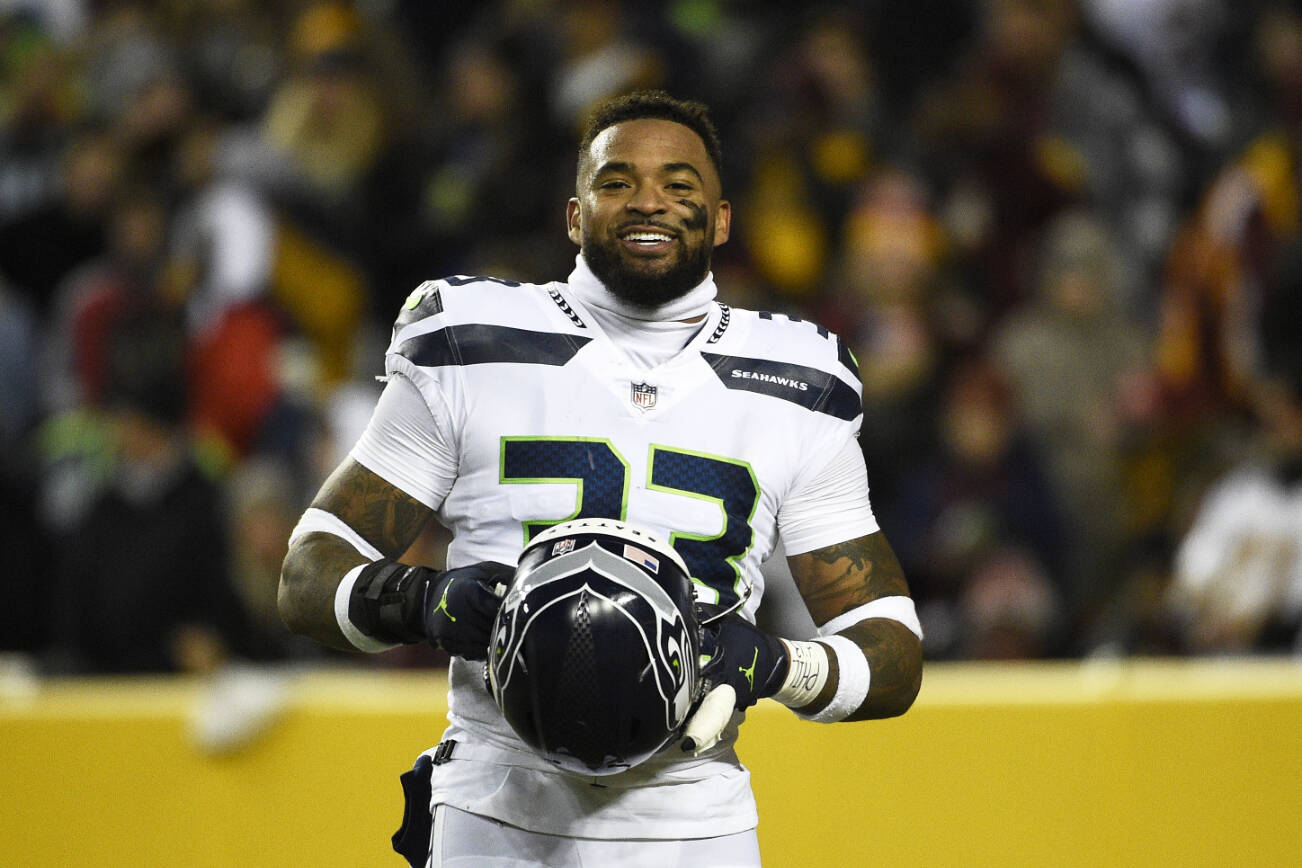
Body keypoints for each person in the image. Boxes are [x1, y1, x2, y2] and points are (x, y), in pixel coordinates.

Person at [279, 90, 923, 867]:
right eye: (617, 181)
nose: (648, 200)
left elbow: (890, 652)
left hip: (694, 814)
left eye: (680, 186)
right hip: (495, 801)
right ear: (575, 216)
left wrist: (780, 666)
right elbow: (309, 572)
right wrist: (424, 601)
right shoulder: (471, 342)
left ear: (720, 219)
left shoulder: (795, 381)